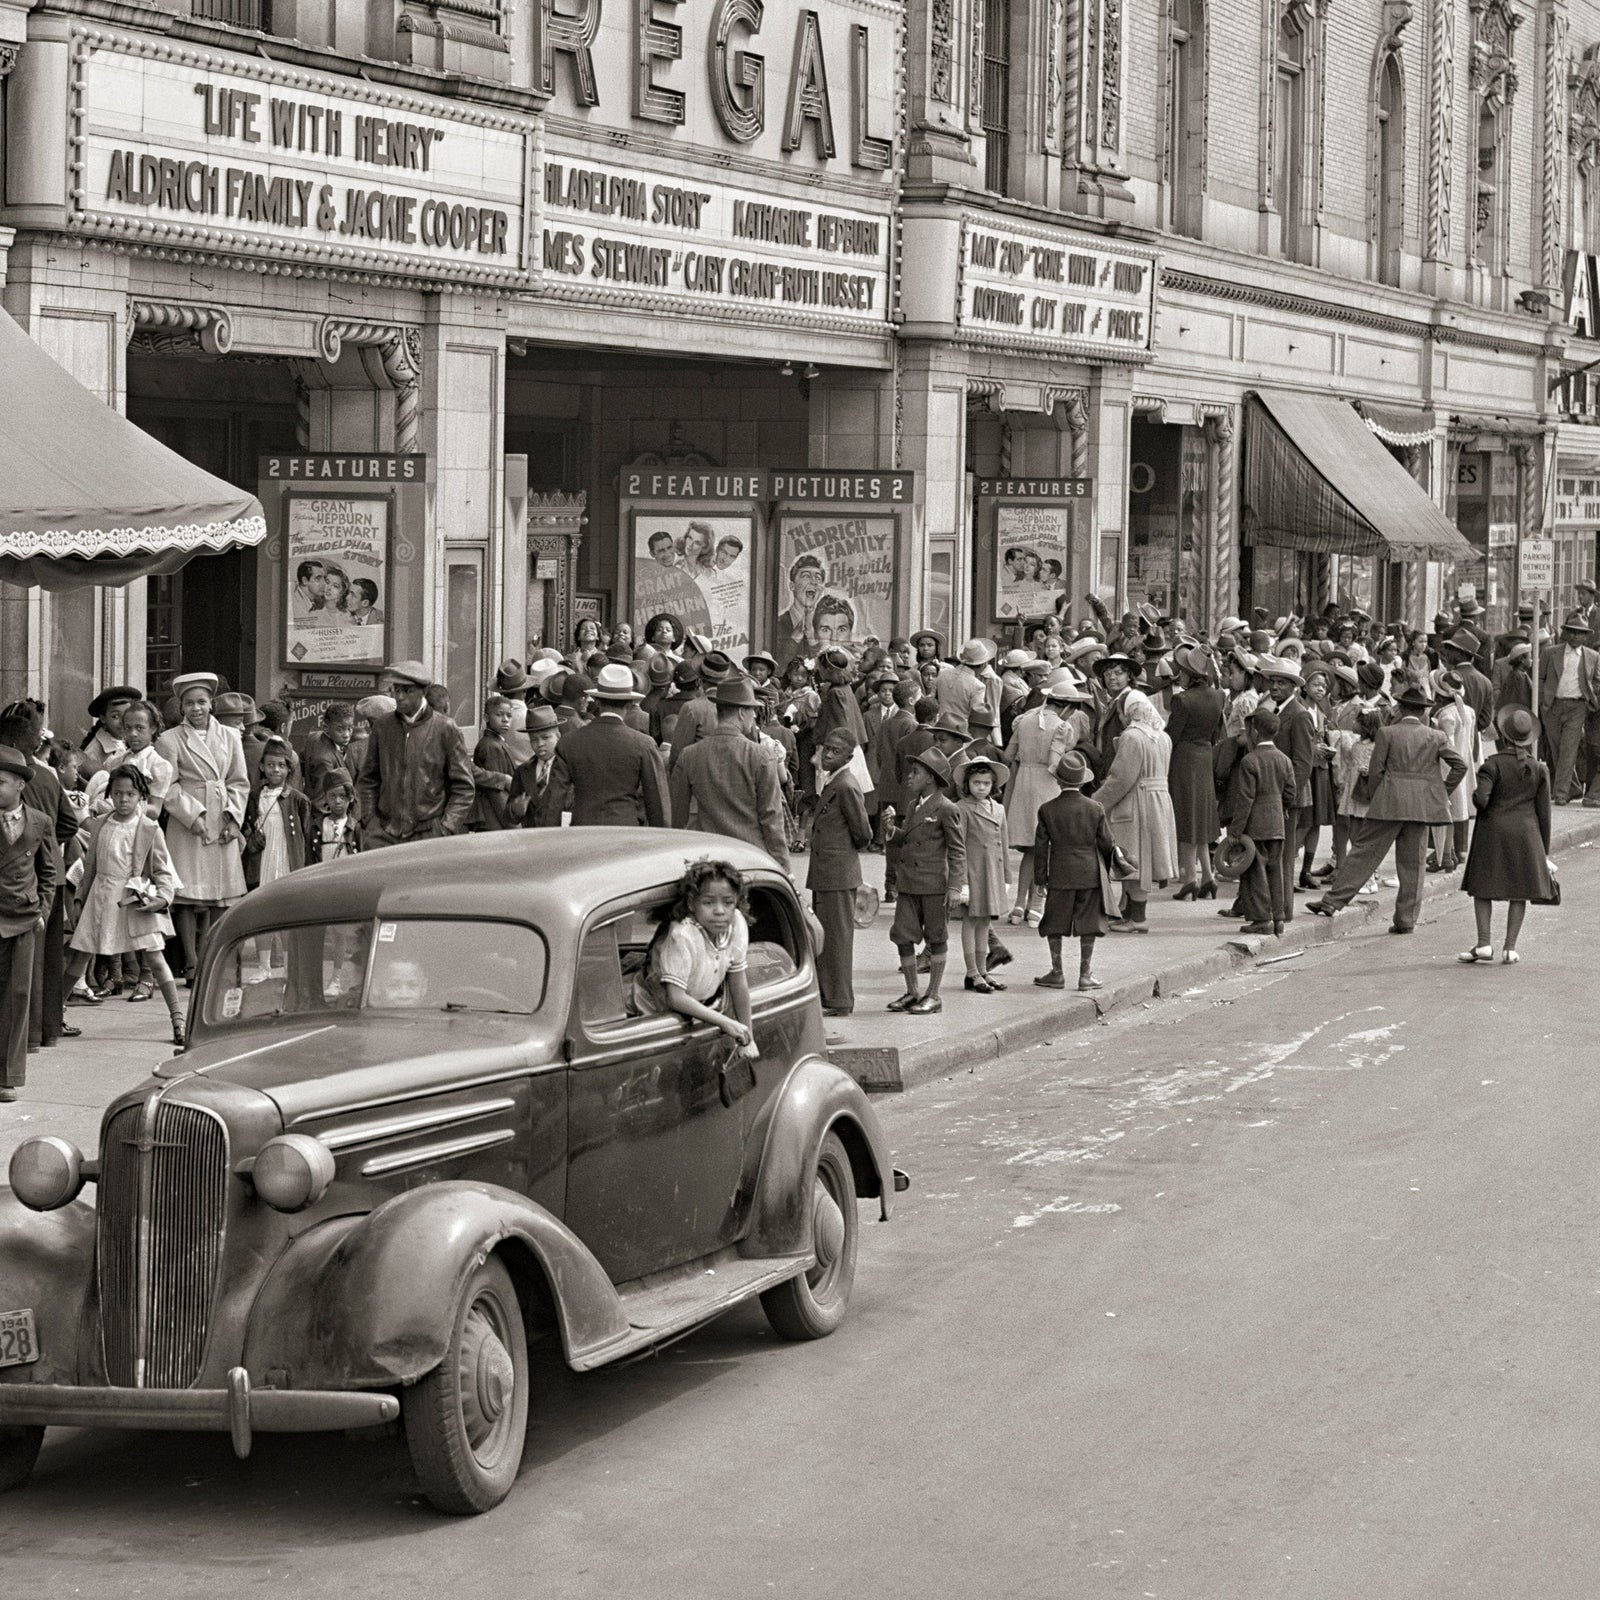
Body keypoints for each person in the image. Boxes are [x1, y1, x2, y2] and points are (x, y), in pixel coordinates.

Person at [1308, 681, 1469, 933]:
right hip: (1420, 806)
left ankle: (1332, 902)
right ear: (1423, 712)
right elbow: (1460, 766)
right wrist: (1439, 791)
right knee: (1413, 864)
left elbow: (1376, 771)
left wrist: (1377, 796)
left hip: (1388, 802)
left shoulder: (1388, 733)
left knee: (1364, 852)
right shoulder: (1436, 736)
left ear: (1401, 708)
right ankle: (1406, 920)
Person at [65, 766, 186, 1047]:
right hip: (101, 897)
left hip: (135, 898)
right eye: (117, 793)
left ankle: (178, 1018)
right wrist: (81, 898)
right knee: (81, 957)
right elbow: (90, 866)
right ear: (110, 795)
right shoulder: (101, 825)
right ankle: (55, 1015)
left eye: (130, 794)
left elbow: (163, 869)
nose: (123, 799)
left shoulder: (148, 828)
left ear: (141, 795)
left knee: (155, 958)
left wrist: (163, 897)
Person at [155, 671, 249, 981]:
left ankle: (212, 954)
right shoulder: (169, 740)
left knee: (221, 896)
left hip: (222, 816)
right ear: (181, 707)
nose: (196, 709)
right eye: (190, 704)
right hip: (188, 821)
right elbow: (167, 785)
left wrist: (233, 817)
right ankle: (192, 961)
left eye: (202, 702)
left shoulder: (230, 736)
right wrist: (192, 816)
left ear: (211, 704)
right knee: (187, 896)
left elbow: (239, 781)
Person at [631, 859, 759, 1065]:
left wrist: (746, 1036)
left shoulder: (736, 924)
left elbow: (738, 982)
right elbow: (675, 997)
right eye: (708, 903)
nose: (719, 911)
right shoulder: (683, 936)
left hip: (703, 1010)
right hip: (658, 1012)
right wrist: (727, 1023)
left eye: (728, 902)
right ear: (692, 904)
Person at [1458, 706, 1554, 965]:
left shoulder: (1492, 765)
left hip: (1493, 833)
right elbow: (1544, 814)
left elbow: (1481, 800)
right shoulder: (1538, 768)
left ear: (1503, 735)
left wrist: (1477, 798)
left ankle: (1484, 943)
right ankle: (1510, 948)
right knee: (1519, 891)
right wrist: (1543, 851)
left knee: (1483, 888)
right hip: (1526, 834)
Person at [671, 679, 790, 871]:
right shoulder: (760, 756)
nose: (754, 716)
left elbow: (677, 817)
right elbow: (772, 818)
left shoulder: (690, 755)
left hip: (707, 857)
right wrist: (784, 867)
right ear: (742, 713)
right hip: (750, 858)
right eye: (753, 711)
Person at [355, 661, 475, 849]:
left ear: (423, 691)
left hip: (428, 834)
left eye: (407, 690)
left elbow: (464, 787)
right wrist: (371, 821)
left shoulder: (445, 728)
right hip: (385, 833)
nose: (399, 697)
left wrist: (445, 827)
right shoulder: (383, 726)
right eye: (396, 690)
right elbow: (369, 779)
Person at [887, 748, 965, 1016]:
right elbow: (908, 838)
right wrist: (891, 832)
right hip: (909, 883)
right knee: (901, 935)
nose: (910, 777)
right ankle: (912, 991)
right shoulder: (913, 805)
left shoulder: (946, 808)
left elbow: (957, 850)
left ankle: (934, 995)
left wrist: (955, 886)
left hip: (933, 886)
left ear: (930, 778)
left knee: (936, 938)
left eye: (916, 772)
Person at [1093, 692, 1178, 934]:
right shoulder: (1163, 736)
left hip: (1136, 802)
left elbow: (1121, 779)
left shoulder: (1132, 736)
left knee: (1134, 858)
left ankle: (1137, 918)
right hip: (1159, 800)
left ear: (1129, 711)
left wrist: (1096, 803)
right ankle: (1130, 913)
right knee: (1142, 857)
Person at [1031, 750, 1115, 992]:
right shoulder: (1095, 808)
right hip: (1089, 873)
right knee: (1089, 922)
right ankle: (1085, 975)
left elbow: (1040, 848)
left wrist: (1041, 879)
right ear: (1082, 781)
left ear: (1058, 780)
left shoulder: (1047, 810)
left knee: (1054, 922)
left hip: (1059, 874)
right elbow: (1107, 843)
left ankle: (1057, 973)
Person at [548, 663, 669, 827]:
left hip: (582, 830)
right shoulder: (644, 745)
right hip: (626, 831)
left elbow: (553, 801)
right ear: (629, 704)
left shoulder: (569, 742)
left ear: (597, 700)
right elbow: (657, 804)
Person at [1002, 674, 1081, 924]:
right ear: (1067, 706)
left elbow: (1008, 754)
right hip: (1047, 788)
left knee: (1029, 848)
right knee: (1046, 848)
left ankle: (1017, 905)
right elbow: (1053, 764)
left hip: (1023, 785)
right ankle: (1037, 903)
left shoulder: (1024, 720)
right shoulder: (1061, 727)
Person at [0, 745, 55, 1100]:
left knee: (18, 997)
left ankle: (8, 1077)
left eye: (1, 782)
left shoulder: (38, 822)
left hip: (23, 918)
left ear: (20, 785)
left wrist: (42, 912)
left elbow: (48, 871)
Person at [807, 728, 871, 1017]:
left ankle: (838, 1000)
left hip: (837, 872)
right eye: (826, 748)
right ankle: (829, 996)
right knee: (828, 937)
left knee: (836, 939)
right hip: (828, 872)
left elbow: (863, 833)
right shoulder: (833, 781)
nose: (828, 754)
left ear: (849, 756)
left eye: (835, 750)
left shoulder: (845, 785)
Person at [1227, 708, 1297, 936]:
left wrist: (1235, 830)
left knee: (1256, 872)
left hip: (1255, 826)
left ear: (1255, 732)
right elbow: (1290, 794)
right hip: (1277, 823)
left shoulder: (1250, 761)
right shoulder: (1284, 760)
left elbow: (1246, 798)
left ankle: (1261, 919)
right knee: (1275, 870)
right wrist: (1281, 808)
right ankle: (1278, 916)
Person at [1165, 645, 1224, 899]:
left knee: (1187, 818)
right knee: (1201, 817)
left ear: (1190, 674)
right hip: (1204, 756)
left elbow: (1172, 736)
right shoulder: (1218, 696)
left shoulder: (1182, 700)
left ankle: (1190, 877)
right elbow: (1216, 734)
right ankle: (1208, 876)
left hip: (1184, 759)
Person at [955, 756, 1010, 994]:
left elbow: (1004, 844)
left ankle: (983, 970)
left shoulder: (998, 809)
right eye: (976, 782)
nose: (981, 787)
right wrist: (962, 882)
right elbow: (958, 846)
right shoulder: (962, 809)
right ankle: (972, 972)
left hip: (992, 871)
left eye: (986, 783)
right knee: (971, 920)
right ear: (967, 784)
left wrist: (1006, 876)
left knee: (985, 921)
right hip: (973, 871)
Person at [1539, 610, 1600, 803]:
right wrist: (1543, 701)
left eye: (1580, 632)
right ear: (1565, 632)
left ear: (1586, 635)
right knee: (1556, 750)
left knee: (1568, 750)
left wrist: (1590, 695)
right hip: (1553, 706)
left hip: (1577, 707)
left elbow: (1597, 680)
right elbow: (1540, 678)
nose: (1575, 636)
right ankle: (1573, 788)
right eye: (1572, 631)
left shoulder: (1592, 656)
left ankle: (1561, 794)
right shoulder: (1550, 652)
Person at [241, 739, 311, 892]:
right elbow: (246, 827)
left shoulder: (298, 800)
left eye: (281, 765)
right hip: (263, 856)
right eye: (270, 765)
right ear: (262, 767)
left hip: (286, 856)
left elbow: (306, 836)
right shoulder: (254, 797)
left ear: (289, 769)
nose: (276, 770)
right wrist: (251, 839)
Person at [469, 695, 520, 831]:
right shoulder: (491, 746)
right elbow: (496, 792)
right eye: (499, 715)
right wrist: (513, 825)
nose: (505, 720)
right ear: (486, 718)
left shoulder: (497, 742)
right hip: (494, 819)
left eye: (509, 716)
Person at [512, 705, 566, 827]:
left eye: (545, 737)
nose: (540, 744)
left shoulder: (569, 768)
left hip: (562, 840)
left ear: (557, 736)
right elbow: (509, 816)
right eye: (534, 740)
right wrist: (515, 809)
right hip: (531, 841)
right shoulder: (522, 772)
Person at [79, 685, 141, 779]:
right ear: (103, 718)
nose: (123, 721)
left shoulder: (126, 741)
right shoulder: (94, 753)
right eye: (115, 716)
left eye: (126, 714)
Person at [309, 773, 360, 864]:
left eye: (342, 796)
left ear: (351, 797)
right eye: (332, 796)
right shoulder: (316, 826)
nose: (337, 801)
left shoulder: (356, 828)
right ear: (325, 798)